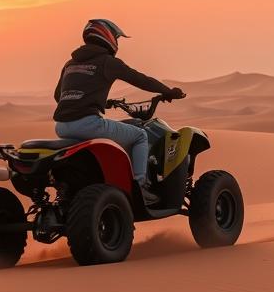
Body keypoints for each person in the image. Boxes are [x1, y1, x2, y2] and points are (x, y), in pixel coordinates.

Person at [52, 19, 185, 204]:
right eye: (116, 38)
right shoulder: (107, 61)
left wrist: (93, 100)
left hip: (62, 128)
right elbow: (139, 79)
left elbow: (59, 96)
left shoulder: (69, 64)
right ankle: (140, 187)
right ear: (107, 37)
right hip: (88, 124)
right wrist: (167, 91)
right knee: (139, 136)